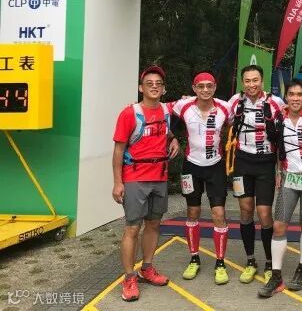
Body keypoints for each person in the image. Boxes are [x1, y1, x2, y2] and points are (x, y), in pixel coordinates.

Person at [111, 65, 179, 302]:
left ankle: (147, 268)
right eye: (149, 83)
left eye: (158, 84)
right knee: (132, 228)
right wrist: (117, 182)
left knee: (153, 224)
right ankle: (129, 277)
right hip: (135, 177)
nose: (154, 86)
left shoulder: (166, 110)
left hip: (159, 176)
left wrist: (174, 139)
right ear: (141, 88)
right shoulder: (129, 113)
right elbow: (118, 150)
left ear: (164, 89)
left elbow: (164, 131)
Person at [258, 78, 302, 298]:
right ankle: (276, 276)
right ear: (286, 97)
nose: (295, 98)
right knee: (279, 225)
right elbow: (277, 147)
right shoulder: (279, 118)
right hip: (288, 178)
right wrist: (278, 172)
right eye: (292, 94)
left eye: (299, 95)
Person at [171, 72, 232, 284]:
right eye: (201, 86)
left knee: (219, 213)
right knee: (192, 212)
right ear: (194, 88)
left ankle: (220, 262)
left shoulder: (225, 107)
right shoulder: (183, 105)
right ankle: (194, 258)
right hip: (191, 166)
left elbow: (239, 123)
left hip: (216, 166)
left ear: (215, 87)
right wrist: (172, 138)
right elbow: (159, 111)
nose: (205, 90)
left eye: (209, 86)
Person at [227, 65, 285, 284]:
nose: (251, 85)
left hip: (265, 164)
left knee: (264, 214)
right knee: (245, 210)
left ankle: (270, 262)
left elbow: (286, 131)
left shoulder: (275, 102)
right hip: (242, 163)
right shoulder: (235, 101)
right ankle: (250, 261)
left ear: (262, 81)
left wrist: (281, 169)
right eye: (247, 81)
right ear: (243, 82)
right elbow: (213, 111)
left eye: (255, 80)